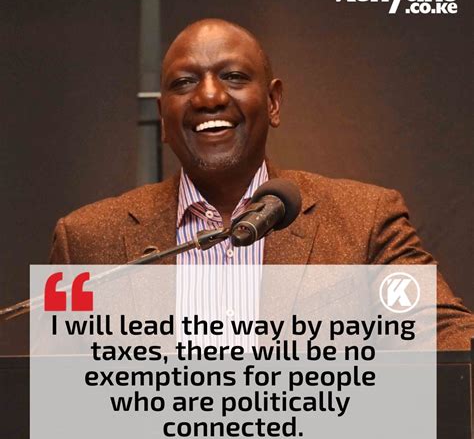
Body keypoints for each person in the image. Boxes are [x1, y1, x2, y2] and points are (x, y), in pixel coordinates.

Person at [50, 18, 473, 349]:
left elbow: (444, 337)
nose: (209, 97)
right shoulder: (86, 241)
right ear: (163, 117)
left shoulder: (365, 221)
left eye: (233, 77)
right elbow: (55, 402)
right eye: (184, 83)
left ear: (272, 102)